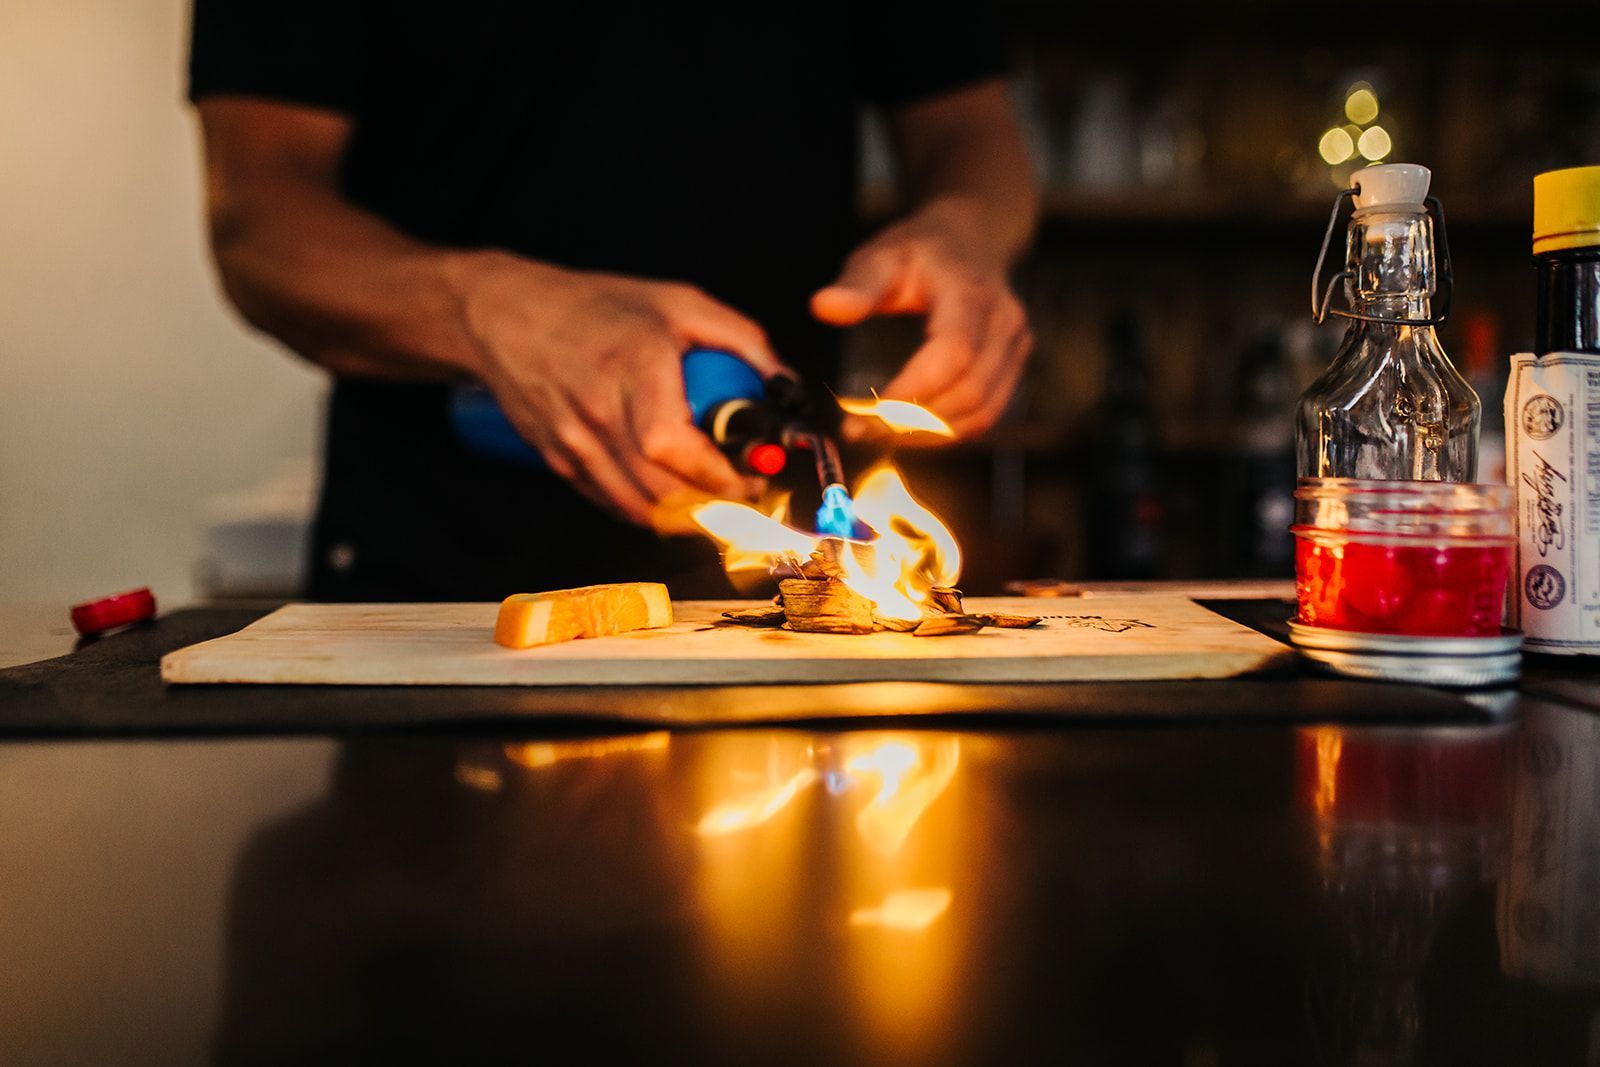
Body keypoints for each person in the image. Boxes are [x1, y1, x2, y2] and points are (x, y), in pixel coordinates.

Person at [189, 3, 1039, 600]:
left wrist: (967, 226)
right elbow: (261, 224)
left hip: (773, 546)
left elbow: (967, 125)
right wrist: (483, 306)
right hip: (436, 577)